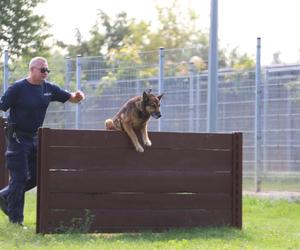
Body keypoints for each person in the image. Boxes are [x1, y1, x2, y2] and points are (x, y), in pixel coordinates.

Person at [0, 56, 85, 226]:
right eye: (42, 70)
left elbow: (71, 98)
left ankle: (4, 196)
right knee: (20, 177)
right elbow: (2, 105)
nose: (45, 72)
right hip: (17, 137)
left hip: (35, 137)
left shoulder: (49, 88)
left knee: (40, 174)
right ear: (32, 70)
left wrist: (78, 96)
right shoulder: (18, 88)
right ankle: (16, 221)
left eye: (47, 70)